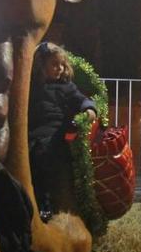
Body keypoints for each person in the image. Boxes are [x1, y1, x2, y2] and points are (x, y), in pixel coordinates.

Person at [28, 42, 97, 221]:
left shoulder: (66, 87)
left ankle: (46, 203)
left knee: (46, 154)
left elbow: (81, 100)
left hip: (57, 132)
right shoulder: (33, 87)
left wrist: (89, 109)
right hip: (34, 131)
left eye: (62, 65)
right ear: (42, 66)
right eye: (54, 64)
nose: (59, 68)